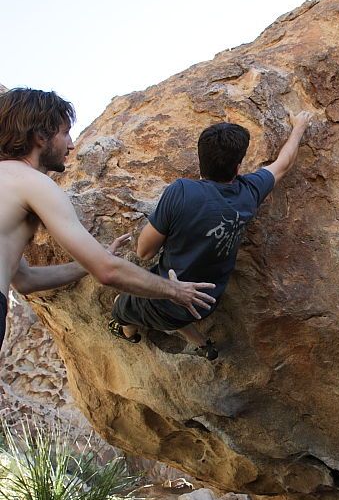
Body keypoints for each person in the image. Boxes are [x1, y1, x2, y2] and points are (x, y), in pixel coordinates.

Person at [0, 88, 216, 353]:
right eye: (65, 132)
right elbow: (108, 271)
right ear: (40, 136)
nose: (71, 144)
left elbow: (24, 280)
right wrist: (174, 291)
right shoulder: (33, 183)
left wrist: (86, 264)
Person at [110, 110, 312, 359]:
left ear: (200, 159)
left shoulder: (181, 192)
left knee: (121, 304)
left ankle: (127, 333)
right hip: (210, 297)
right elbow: (284, 163)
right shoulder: (250, 192)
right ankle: (204, 345)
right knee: (178, 308)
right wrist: (299, 126)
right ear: (238, 167)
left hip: (169, 298)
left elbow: (144, 250)